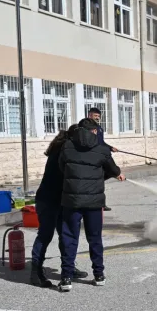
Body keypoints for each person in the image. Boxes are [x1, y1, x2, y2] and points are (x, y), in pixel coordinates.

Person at [57, 118, 125, 292]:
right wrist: (115, 174)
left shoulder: (67, 146)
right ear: (94, 131)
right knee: (94, 238)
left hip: (71, 201)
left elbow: (62, 168)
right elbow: (113, 169)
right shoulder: (102, 149)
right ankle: (99, 275)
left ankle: (66, 278)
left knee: (69, 238)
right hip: (94, 203)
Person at [29, 125, 87, 288]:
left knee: (66, 234)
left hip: (62, 200)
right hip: (49, 200)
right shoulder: (65, 150)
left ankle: (68, 267)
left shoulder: (66, 146)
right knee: (45, 235)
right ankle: (36, 272)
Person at [87, 107, 117, 211]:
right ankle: (99, 203)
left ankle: (101, 204)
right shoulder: (85, 127)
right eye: (95, 116)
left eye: (98, 116)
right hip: (91, 158)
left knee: (102, 179)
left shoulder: (99, 128)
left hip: (99, 157)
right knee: (98, 180)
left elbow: (101, 142)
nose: (97, 118)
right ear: (90, 115)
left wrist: (110, 148)